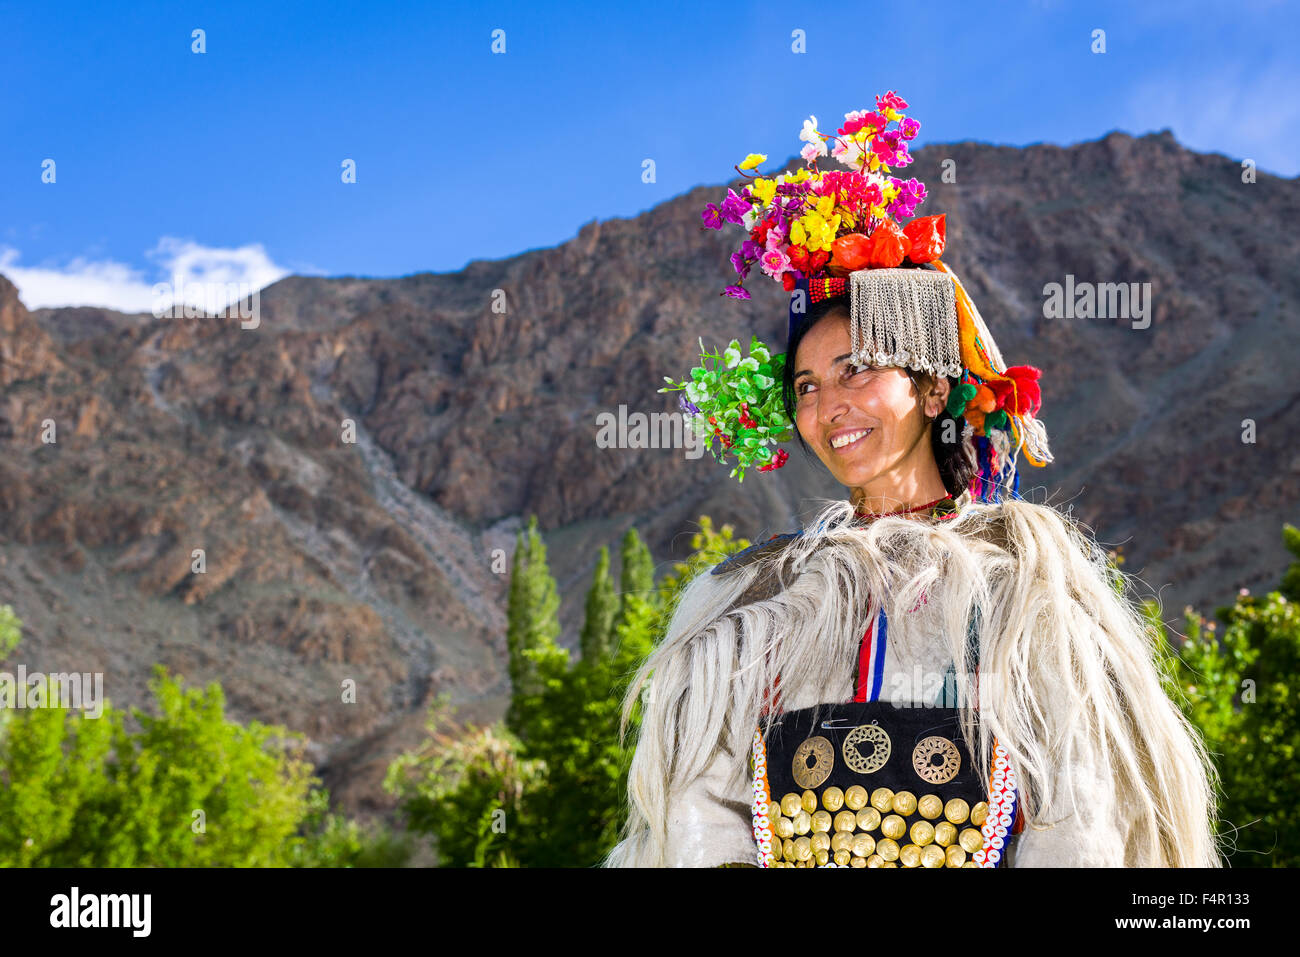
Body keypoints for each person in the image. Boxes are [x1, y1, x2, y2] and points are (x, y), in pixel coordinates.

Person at [605, 95, 1219, 868]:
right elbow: (699, 817)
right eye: (805, 387)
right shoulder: (753, 610)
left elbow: (1083, 812)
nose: (828, 406)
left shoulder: (1026, 595)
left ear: (934, 390)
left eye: (856, 369)